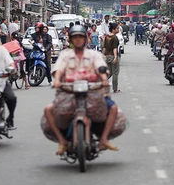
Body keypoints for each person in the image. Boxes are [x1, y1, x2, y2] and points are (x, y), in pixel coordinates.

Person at [43, 25, 119, 155]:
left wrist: (103, 78)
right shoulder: (65, 55)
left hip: (93, 93)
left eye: (80, 37)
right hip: (69, 93)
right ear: (71, 40)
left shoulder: (94, 55)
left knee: (113, 108)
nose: (78, 40)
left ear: (85, 39)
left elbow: (101, 67)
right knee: (48, 110)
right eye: (75, 37)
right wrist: (57, 80)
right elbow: (59, 69)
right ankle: (62, 141)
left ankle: (104, 139)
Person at [103, 23, 120, 93]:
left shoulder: (106, 37)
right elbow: (115, 48)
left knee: (109, 73)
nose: (118, 30)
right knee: (115, 73)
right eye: (117, 28)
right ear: (113, 29)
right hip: (113, 56)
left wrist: (102, 55)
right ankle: (115, 88)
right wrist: (115, 57)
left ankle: (101, 84)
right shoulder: (114, 37)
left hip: (107, 56)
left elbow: (104, 47)